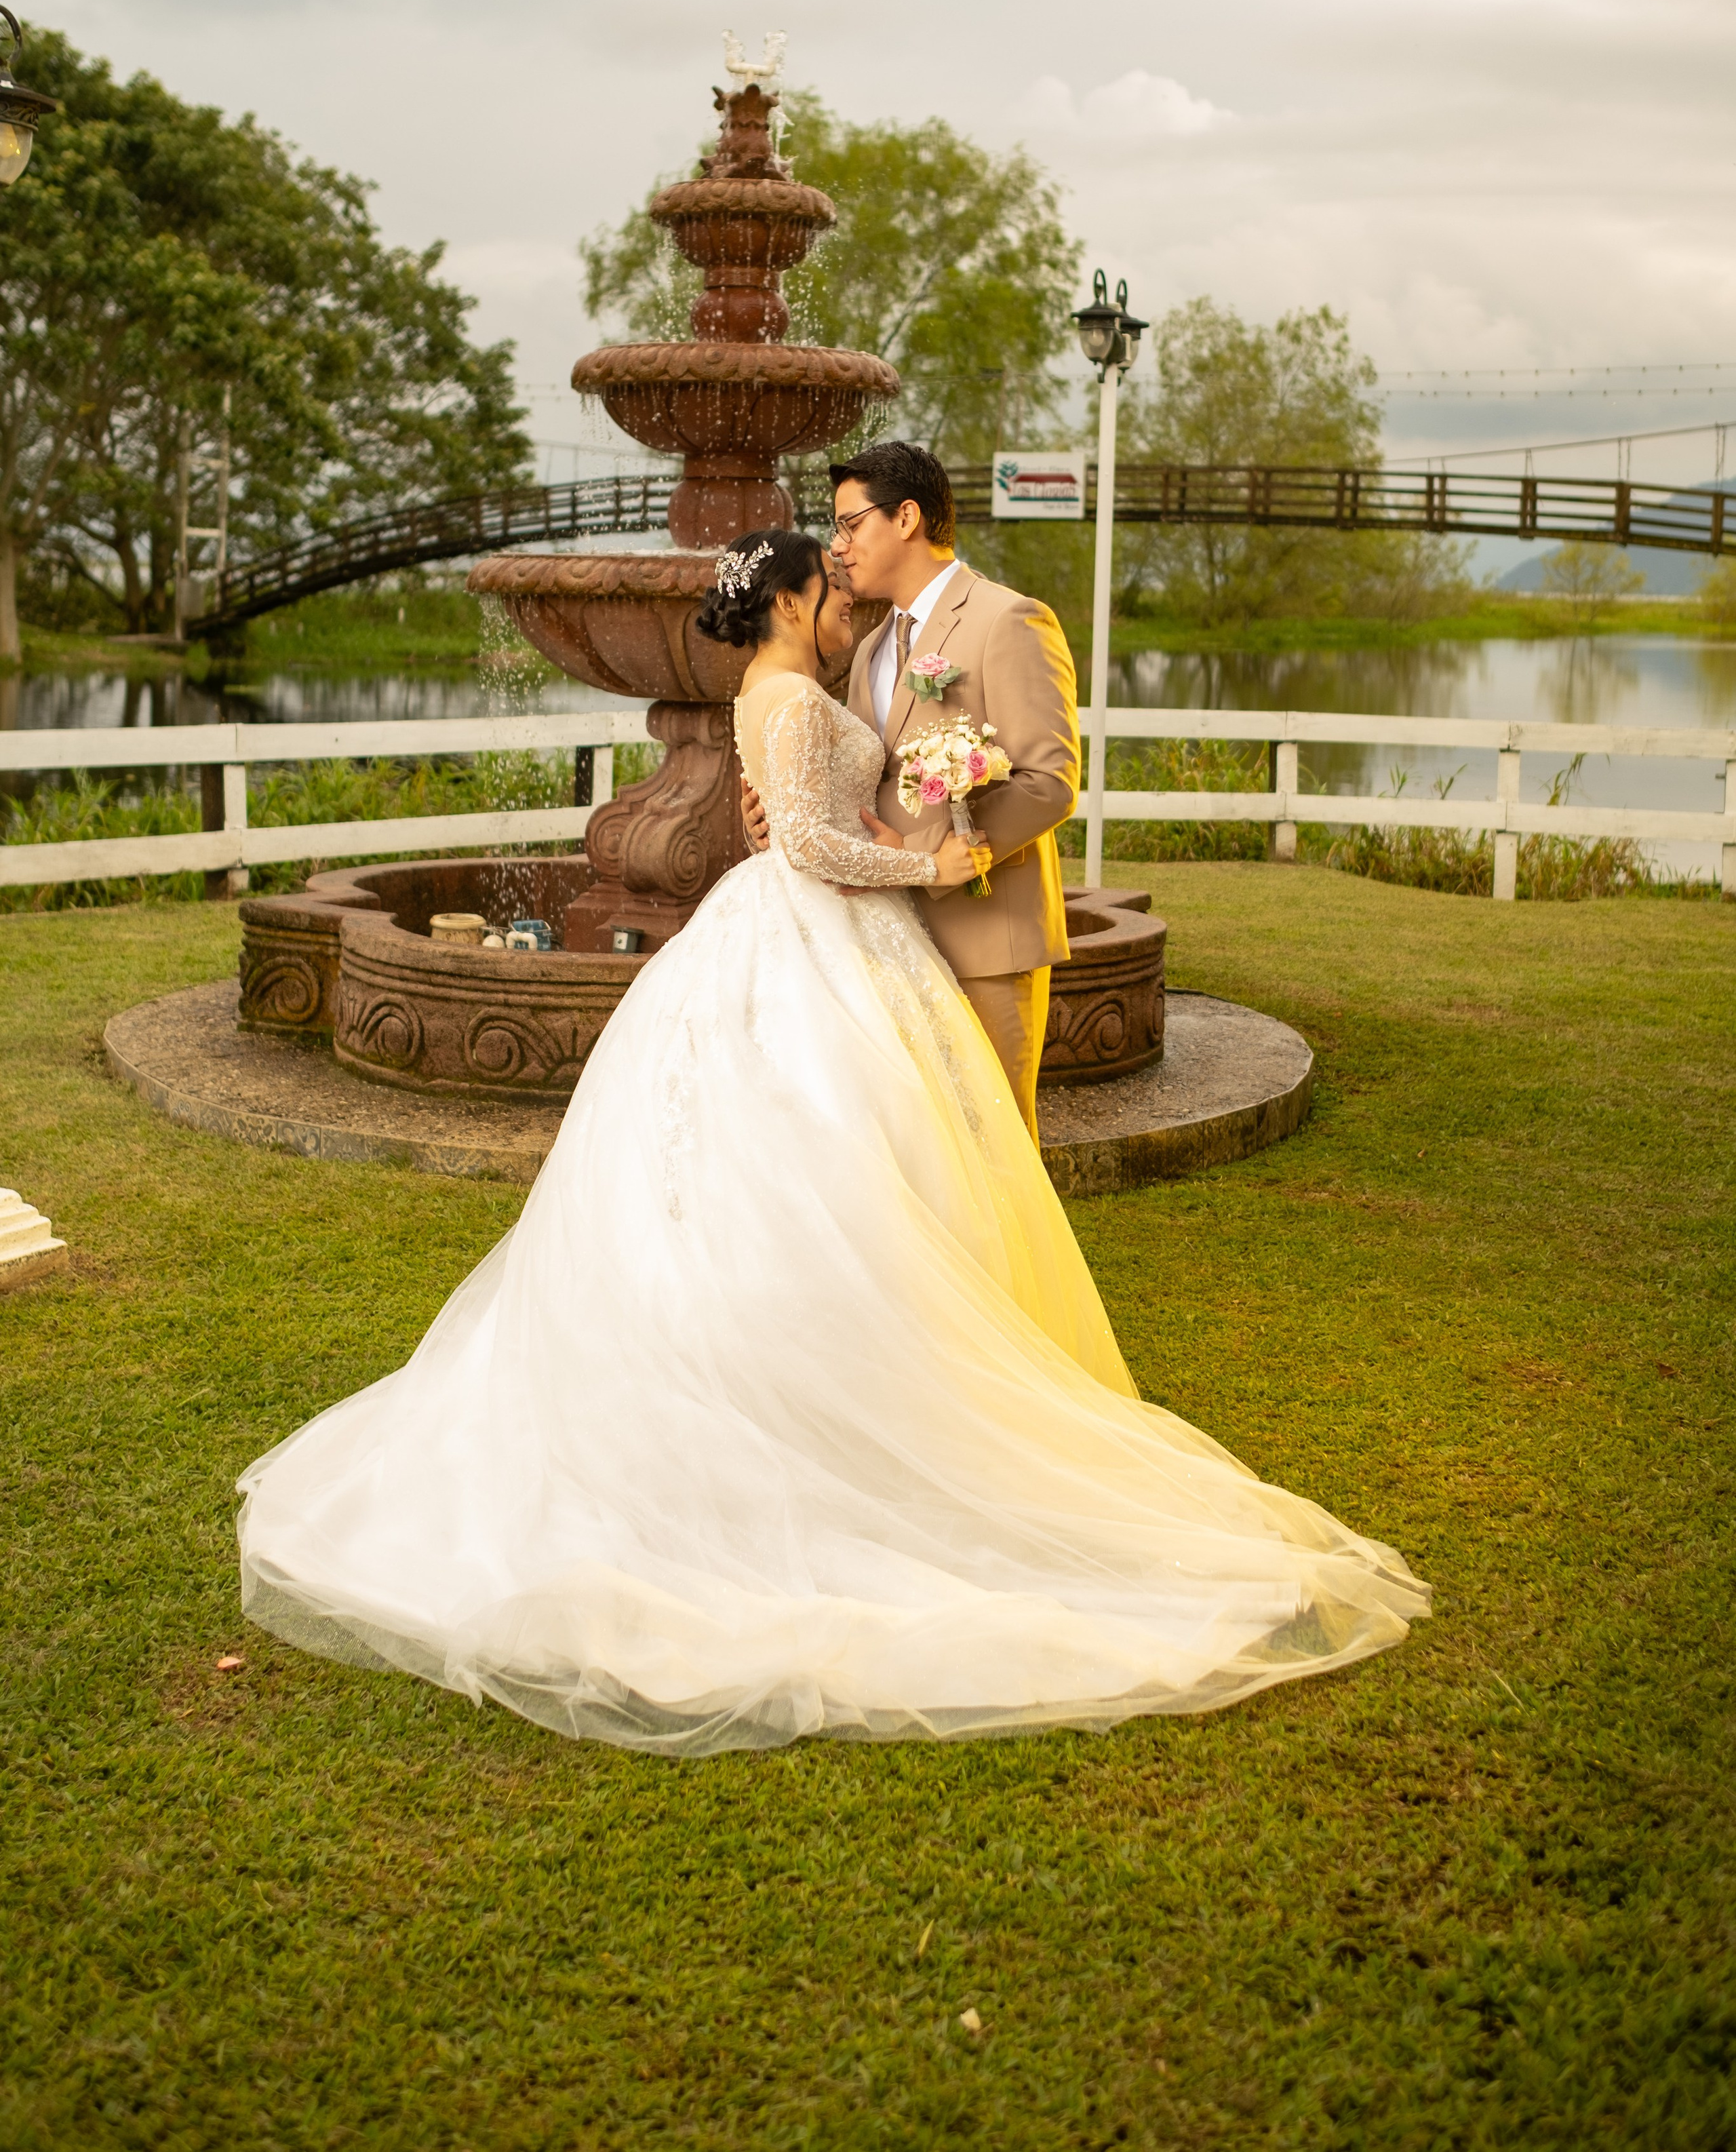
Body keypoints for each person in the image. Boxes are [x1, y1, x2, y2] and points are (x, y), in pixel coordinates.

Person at [236, 530, 1427, 1759]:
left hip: (799, 933)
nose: (845, 587)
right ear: (797, 598)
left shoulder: (791, 692)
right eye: (829, 576)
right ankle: (847, 1391)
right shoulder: (792, 696)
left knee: (839, 1161)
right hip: (816, 931)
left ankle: (883, 1360)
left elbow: (788, 823)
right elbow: (805, 846)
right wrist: (938, 859)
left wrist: (909, 792)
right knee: (823, 1152)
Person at [741, 442, 1074, 1138]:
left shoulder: (1009, 620)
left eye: (849, 524)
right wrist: (778, 819)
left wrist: (928, 856)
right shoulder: (871, 647)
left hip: (986, 932)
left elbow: (1049, 782)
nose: (837, 548)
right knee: (922, 1155)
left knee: (997, 1146)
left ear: (906, 518)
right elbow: (857, 781)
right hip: (887, 937)